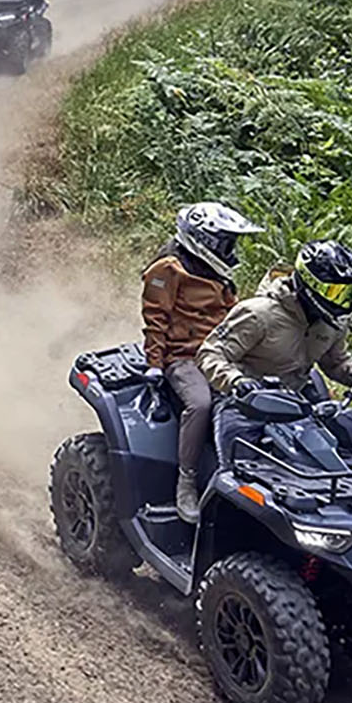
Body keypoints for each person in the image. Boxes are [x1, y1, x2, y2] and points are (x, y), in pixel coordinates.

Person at [198, 239, 352, 473]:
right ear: (310, 284)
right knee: (239, 469)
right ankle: (200, 495)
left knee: (349, 455)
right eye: (335, 291)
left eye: (347, 292)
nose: (342, 300)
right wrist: (236, 382)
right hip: (244, 404)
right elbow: (211, 352)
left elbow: (337, 363)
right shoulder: (259, 314)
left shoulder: (332, 323)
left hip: (299, 401)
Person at [140, 202, 263, 521]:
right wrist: (155, 364)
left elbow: (232, 316)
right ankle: (187, 482)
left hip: (219, 354)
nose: (230, 250)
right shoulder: (168, 269)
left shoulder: (216, 273)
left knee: (263, 396)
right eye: (225, 243)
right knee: (200, 404)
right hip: (183, 357)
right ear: (203, 240)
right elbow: (156, 317)